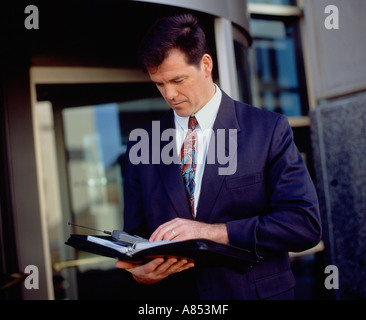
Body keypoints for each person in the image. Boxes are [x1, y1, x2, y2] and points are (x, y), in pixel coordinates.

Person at [116, 13, 322, 300]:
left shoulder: (268, 129)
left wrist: (210, 232)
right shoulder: (143, 143)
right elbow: (136, 236)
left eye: (177, 80)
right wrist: (139, 274)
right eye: (159, 84)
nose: (170, 94)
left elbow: (303, 225)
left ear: (206, 65)